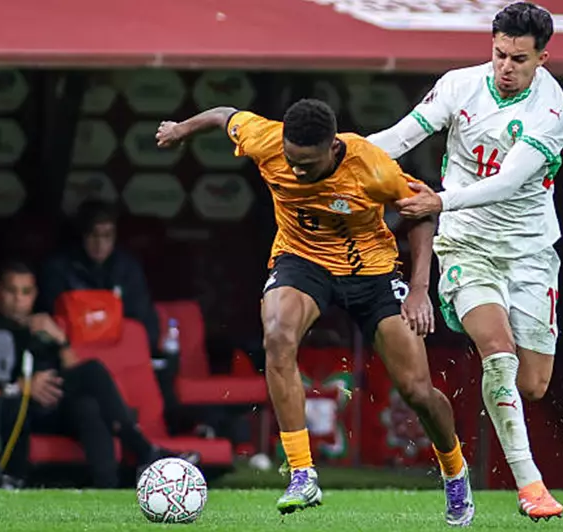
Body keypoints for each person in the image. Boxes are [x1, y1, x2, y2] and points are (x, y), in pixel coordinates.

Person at [155, 98, 474, 525]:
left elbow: (422, 212)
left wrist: (419, 290)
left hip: (371, 273)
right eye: (291, 161)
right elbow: (223, 115)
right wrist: (180, 129)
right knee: (277, 336)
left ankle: (455, 471)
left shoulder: (372, 167)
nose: (297, 172)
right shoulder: (267, 141)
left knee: (417, 391)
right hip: (302, 261)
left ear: (333, 148)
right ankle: (302, 473)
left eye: (307, 165)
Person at [367, 1, 563, 521]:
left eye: (519, 59)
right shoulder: (459, 85)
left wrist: (439, 200)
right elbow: (402, 136)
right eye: (500, 54)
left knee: (532, 385)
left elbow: (507, 183)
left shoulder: (551, 112)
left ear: (542, 58)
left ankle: (511, 423)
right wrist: (343, 154)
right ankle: (531, 485)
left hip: (528, 253)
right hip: (466, 245)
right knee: (497, 353)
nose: (506, 67)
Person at [0, 261, 198, 490]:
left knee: (88, 402)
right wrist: (23, 386)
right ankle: (144, 450)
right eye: (11, 291)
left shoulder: (40, 326)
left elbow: (71, 368)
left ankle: (107, 488)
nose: (19, 299)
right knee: (84, 375)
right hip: (9, 410)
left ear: (34, 294)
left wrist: (61, 340)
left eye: (26, 292)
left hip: (49, 408)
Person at [37, 201, 179, 428]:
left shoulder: (127, 268)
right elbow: (50, 323)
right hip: (78, 362)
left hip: (121, 359)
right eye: (94, 235)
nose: (100, 244)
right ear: (82, 236)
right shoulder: (58, 268)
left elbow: (144, 323)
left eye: (107, 236)